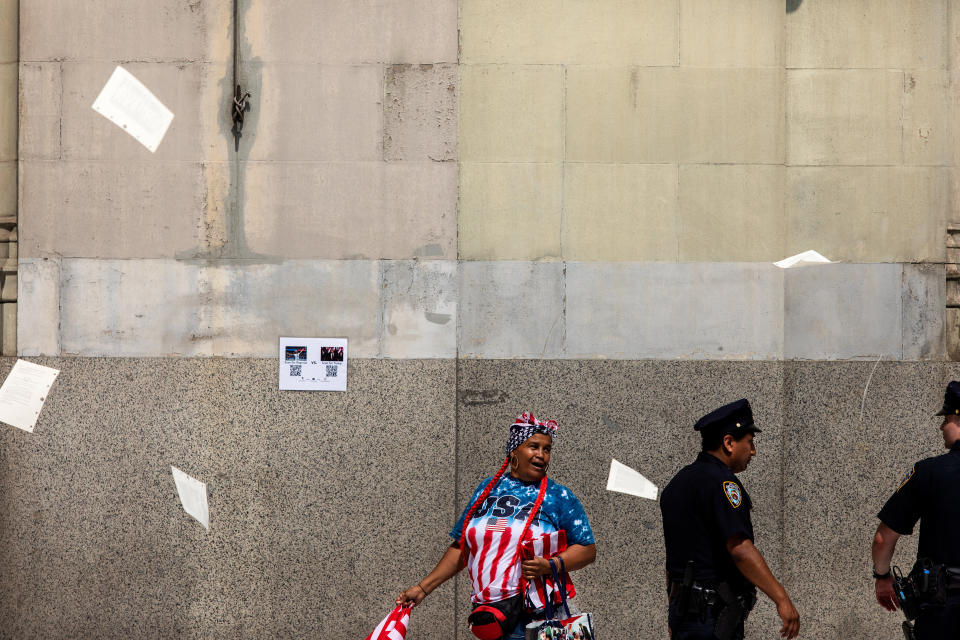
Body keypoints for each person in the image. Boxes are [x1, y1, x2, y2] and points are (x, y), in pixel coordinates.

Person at [397, 412, 597, 640]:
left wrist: (551, 565)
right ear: (514, 451)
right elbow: (462, 547)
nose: (541, 455)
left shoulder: (558, 495)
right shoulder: (487, 488)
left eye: (547, 449)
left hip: (534, 619)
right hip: (489, 615)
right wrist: (423, 589)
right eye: (533, 446)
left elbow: (587, 549)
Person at [660, 399, 800, 640]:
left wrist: (675, 614)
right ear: (728, 442)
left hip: (685, 613)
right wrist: (782, 599)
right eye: (750, 442)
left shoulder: (678, 482)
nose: (753, 451)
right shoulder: (721, 483)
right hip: (711, 616)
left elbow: (674, 563)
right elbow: (740, 549)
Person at [872, 380, 960, 638]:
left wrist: (882, 576)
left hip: (943, 610)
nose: (942, 426)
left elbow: (882, 538)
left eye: (946, 418)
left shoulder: (929, 472)